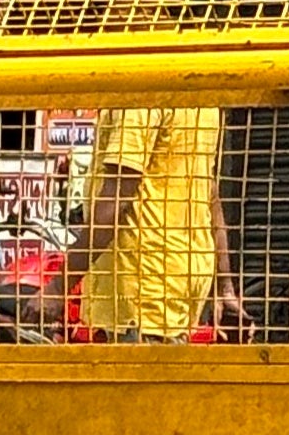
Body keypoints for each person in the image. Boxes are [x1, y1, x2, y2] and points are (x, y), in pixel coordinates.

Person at [68, 105, 247, 339]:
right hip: (179, 280)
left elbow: (118, 195)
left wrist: (59, 286)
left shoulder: (139, 100)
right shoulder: (203, 102)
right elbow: (209, 190)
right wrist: (224, 286)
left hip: (140, 287)